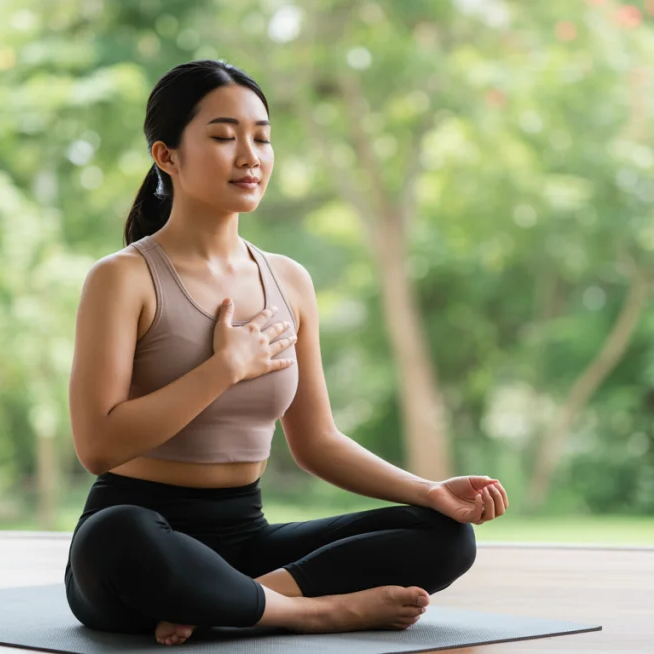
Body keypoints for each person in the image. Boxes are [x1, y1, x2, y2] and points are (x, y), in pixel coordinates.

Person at [64, 59, 510, 647]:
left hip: (246, 540)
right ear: (166, 156)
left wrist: (428, 492)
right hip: (144, 535)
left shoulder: (288, 281)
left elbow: (317, 441)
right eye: (223, 137)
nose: (249, 155)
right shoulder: (123, 279)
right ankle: (316, 612)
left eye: (262, 138)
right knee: (114, 535)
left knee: (444, 535)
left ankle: (245, 599)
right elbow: (98, 447)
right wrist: (224, 368)